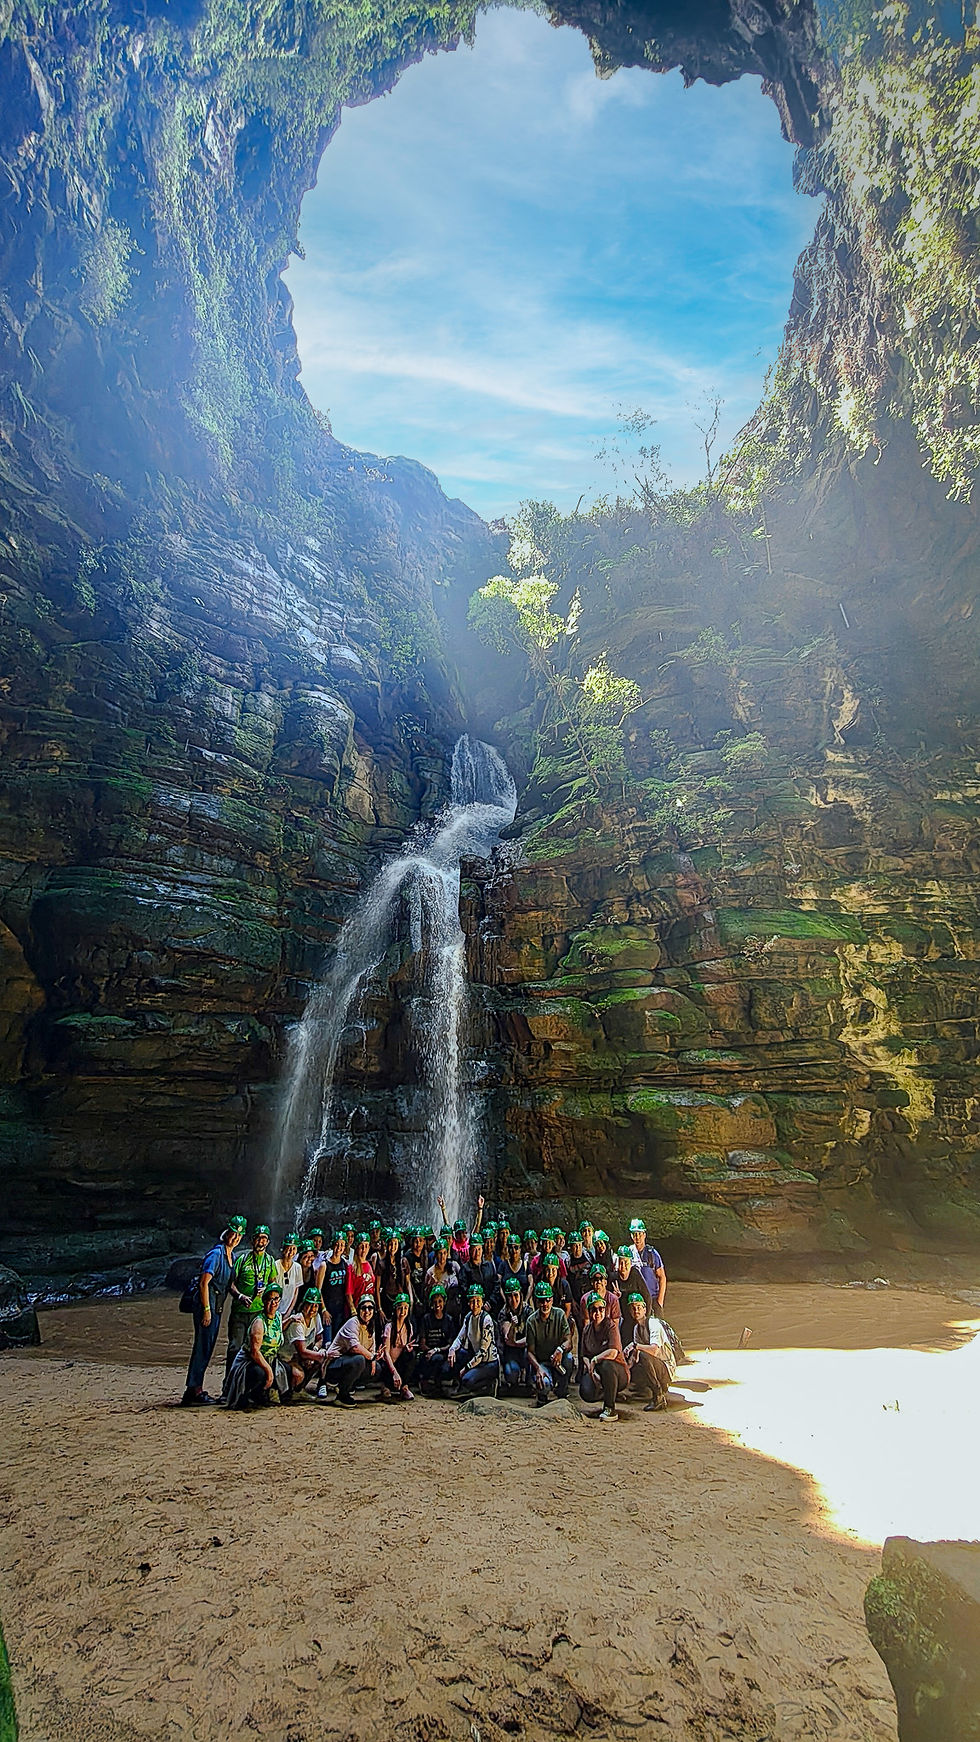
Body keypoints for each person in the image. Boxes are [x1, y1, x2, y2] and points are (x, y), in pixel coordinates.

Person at [181, 1216, 245, 1405]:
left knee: (207, 1347)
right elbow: (204, 1283)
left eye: (239, 1235)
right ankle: (194, 1391)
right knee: (202, 1347)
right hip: (207, 1305)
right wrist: (207, 1310)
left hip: (216, 1306)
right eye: (233, 1234)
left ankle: (194, 1389)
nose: (235, 1238)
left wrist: (240, 1296)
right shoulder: (216, 1254)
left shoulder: (231, 1256)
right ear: (227, 1233)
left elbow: (229, 1284)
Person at [224, 1224, 277, 1384]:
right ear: (252, 1240)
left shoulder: (270, 1261)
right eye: (258, 1238)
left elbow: (273, 1284)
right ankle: (229, 1385)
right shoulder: (242, 1259)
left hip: (259, 1314)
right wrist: (240, 1296)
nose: (261, 1242)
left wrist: (266, 1291)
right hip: (240, 1312)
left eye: (264, 1239)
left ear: (268, 1242)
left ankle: (249, 1385)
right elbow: (230, 1284)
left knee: (256, 1350)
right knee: (235, 1347)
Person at [224, 1282, 284, 1410]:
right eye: (269, 1299)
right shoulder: (259, 1322)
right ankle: (246, 1396)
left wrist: (293, 1319)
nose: (273, 1302)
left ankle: (265, 1394)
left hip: (269, 1358)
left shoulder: (278, 1317)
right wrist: (269, 1372)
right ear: (264, 1301)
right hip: (250, 1362)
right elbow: (254, 1352)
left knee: (287, 1370)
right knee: (259, 1373)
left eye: (276, 1299)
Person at [579, 1291, 630, 1422]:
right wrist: (590, 1368)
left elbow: (613, 1352)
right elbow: (584, 1355)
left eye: (601, 1309)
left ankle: (610, 1408)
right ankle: (608, 1393)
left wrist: (595, 1360)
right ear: (589, 1312)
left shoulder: (610, 1326)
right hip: (596, 1370)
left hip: (617, 1370)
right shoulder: (587, 1330)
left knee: (607, 1365)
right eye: (594, 1309)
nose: (598, 1312)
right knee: (586, 1391)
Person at [621, 1292, 676, 1410]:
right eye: (633, 1308)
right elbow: (634, 1357)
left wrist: (635, 1345)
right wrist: (625, 1368)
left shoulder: (653, 1323)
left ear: (645, 1309)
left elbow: (654, 1350)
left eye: (639, 1307)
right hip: (653, 1364)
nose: (636, 1310)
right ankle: (643, 1389)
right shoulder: (636, 1328)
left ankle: (658, 1395)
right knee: (635, 1362)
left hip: (665, 1367)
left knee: (643, 1355)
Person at [321, 1293, 378, 1406]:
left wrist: (374, 1359)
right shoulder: (353, 1322)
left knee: (377, 1369)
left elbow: (371, 1348)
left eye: (370, 1308)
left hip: (348, 1361)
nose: (367, 1311)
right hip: (334, 1364)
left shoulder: (370, 1325)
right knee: (359, 1360)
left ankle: (348, 1385)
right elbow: (355, 1347)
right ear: (358, 1310)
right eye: (363, 1308)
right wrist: (372, 1357)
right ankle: (342, 1394)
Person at [524, 1280, 574, 1406]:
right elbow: (529, 1352)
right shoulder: (531, 1321)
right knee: (544, 1383)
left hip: (558, 1360)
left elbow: (569, 1341)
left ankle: (562, 1390)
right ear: (536, 1302)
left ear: (552, 1300)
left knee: (569, 1358)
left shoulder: (560, 1314)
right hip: (542, 1362)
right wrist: (538, 1368)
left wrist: (560, 1350)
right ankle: (542, 1396)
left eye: (548, 1300)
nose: (545, 1304)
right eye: (541, 1301)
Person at [447, 1284, 499, 1395]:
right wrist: (452, 1349)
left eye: (478, 1301)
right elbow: (460, 1338)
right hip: (475, 1358)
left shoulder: (486, 1320)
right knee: (459, 1354)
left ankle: (488, 1384)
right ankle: (459, 1384)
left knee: (467, 1380)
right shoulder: (468, 1317)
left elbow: (482, 1351)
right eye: (472, 1301)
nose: (475, 1304)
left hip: (488, 1362)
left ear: (482, 1302)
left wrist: (466, 1368)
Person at [281, 1287, 328, 1399]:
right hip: (286, 1358)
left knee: (319, 1359)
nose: (313, 1309)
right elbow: (301, 1351)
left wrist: (315, 1350)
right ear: (303, 1304)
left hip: (300, 1357)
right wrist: (318, 1356)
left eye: (315, 1306)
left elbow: (320, 1338)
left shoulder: (316, 1317)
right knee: (299, 1374)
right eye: (310, 1305)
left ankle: (299, 1390)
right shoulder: (298, 1322)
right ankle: (287, 1393)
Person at [418, 1284, 455, 1395]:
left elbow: (450, 1344)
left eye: (440, 1301)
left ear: (444, 1302)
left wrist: (437, 1350)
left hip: (442, 1354)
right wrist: (430, 1351)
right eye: (435, 1302)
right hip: (428, 1354)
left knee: (443, 1363)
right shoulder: (426, 1319)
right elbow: (422, 1343)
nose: (437, 1304)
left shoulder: (449, 1320)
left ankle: (438, 1384)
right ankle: (426, 1382)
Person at [379, 1293, 417, 1401]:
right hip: (389, 1364)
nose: (402, 1311)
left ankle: (404, 1387)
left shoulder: (409, 1327)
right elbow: (386, 1353)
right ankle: (385, 1386)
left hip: (400, 1364)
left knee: (412, 1355)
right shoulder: (389, 1327)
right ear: (395, 1309)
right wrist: (394, 1372)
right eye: (400, 1308)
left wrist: (407, 1348)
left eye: (405, 1308)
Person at [496, 1272, 529, 1393]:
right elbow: (508, 1340)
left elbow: (532, 1338)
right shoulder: (503, 1313)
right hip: (510, 1353)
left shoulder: (528, 1310)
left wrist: (518, 1343)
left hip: (525, 1351)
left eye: (516, 1295)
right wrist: (513, 1327)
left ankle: (529, 1380)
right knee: (512, 1375)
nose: (513, 1300)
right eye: (510, 1296)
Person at [628, 1218, 667, 1310]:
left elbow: (662, 1277)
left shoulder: (652, 1254)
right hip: (635, 1301)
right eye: (634, 1234)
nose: (637, 1237)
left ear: (644, 1235)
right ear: (631, 1236)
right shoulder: (628, 1253)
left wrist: (660, 1301)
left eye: (640, 1234)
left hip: (652, 1298)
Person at [376, 1228, 412, 1319]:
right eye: (391, 1244)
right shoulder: (381, 1264)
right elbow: (377, 1287)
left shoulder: (403, 1262)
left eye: (395, 1244)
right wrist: (379, 1308)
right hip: (386, 1299)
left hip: (401, 1299)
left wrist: (411, 1300)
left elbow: (408, 1283)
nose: (393, 1247)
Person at [345, 1232, 375, 1320]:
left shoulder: (369, 1265)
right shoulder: (352, 1267)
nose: (364, 1249)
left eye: (366, 1246)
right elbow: (348, 1292)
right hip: (357, 1308)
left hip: (368, 1308)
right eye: (361, 1246)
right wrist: (352, 1309)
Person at [613, 1245, 651, 1313]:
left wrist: (646, 1316)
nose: (623, 1266)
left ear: (630, 1263)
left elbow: (647, 1296)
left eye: (626, 1262)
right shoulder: (614, 1278)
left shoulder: (635, 1274)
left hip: (636, 1312)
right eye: (621, 1262)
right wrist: (616, 1298)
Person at [276, 1233, 303, 1322]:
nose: (291, 1252)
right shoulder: (275, 1265)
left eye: (294, 1249)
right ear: (283, 1249)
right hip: (275, 1309)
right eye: (288, 1248)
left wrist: (289, 1312)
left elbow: (296, 1291)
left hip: (289, 1310)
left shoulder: (297, 1267)